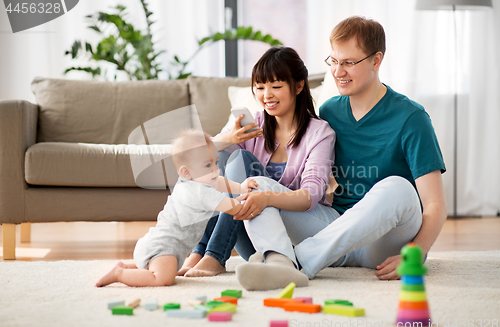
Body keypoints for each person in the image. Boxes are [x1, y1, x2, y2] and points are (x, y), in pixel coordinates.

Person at [237, 16, 447, 289]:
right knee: (258, 186)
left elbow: (435, 205)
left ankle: (298, 262)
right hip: (335, 228)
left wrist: (416, 253)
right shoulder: (331, 111)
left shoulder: (412, 118)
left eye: (349, 62)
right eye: (334, 61)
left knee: (399, 187)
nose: (337, 72)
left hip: (383, 242)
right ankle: (280, 263)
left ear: (376, 61)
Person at [178, 47, 336, 287]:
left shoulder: (319, 133)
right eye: (260, 87)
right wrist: (229, 139)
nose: (266, 95)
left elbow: (310, 196)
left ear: (298, 86)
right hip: (252, 235)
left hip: (293, 238)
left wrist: (265, 198)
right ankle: (201, 250)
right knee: (217, 162)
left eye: (276, 86)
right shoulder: (255, 124)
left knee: (243, 162)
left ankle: (214, 255)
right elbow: (196, 155)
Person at [95, 130, 257, 287]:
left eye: (215, 162)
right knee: (162, 279)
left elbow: (219, 181)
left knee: (161, 269)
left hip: (154, 243)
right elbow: (233, 208)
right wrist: (250, 201)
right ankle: (120, 274)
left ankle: (127, 267)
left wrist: (241, 187)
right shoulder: (201, 192)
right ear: (186, 171)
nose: (215, 169)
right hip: (164, 248)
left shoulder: (191, 180)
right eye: (208, 165)